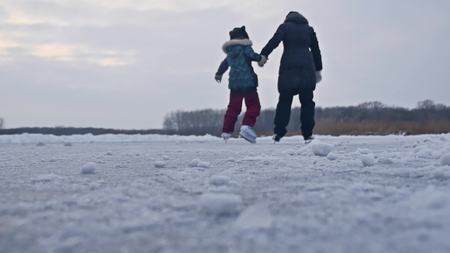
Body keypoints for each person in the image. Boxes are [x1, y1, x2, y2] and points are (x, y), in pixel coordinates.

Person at [260, 11, 323, 143]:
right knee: (307, 102)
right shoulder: (309, 29)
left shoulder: (285, 27)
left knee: (284, 101)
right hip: (307, 69)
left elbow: (274, 41)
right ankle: (307, 134)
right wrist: (318, 69)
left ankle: (278, 132)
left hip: (289, 69)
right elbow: (316, 50)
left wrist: (264, 55)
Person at [215, 26, 267, 144]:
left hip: (234, 85)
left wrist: (219, 74)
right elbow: (252, 55)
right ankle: (246, 126)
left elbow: (224, 64)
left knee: (233, 108)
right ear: (244, 37)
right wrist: (261, 58)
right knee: (254, 106)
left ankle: (226, 131)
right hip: (248, 82)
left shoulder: (230, 52)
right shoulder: (245, 47)